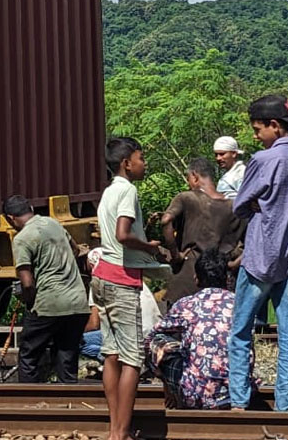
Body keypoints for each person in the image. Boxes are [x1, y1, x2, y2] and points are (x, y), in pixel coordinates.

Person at [229, 95, 288, 413]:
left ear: (274, 126)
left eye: (257, 129)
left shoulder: (263, 161)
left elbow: (239, 205)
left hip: (260, 253)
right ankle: (284, 402)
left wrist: (256, 204)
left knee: (240, 330)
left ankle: (239, 400)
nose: (255, 136)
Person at [92, 137, 166, 440]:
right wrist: (149, 247)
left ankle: (114, 427)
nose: (143, 163)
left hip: (102, 276)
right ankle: (120, 434)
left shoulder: (108, 192)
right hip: (122, 279)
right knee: (133, 358)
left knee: (110, 354)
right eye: (141, 157)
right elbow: (123, 235)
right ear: (126, 163)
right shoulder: (127, 190)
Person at [5, 195, 91, 384]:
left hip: (49, 304)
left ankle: (31, 403)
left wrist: (28, 304)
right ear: (31, 209)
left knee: (29, 355)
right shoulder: (53, 224)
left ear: (11, 218)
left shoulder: (22, 238)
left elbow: (27, 283)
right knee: (66, 357)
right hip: (77, 303)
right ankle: (69, 404)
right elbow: (75, 251)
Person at [145, 249, 243, 409]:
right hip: (239, 394)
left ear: (197, 279)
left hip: (195, 394)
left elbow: (152, 336)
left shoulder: (187, 304)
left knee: (156, 341)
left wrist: (163, 380)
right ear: (227, 278)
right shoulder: (240, 305)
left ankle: (174, 392)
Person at [161, 158, 244, 303]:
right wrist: (233, 264)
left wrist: (176, 255)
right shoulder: (235, 207)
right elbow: (254, 242)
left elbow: (166, 220)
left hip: (187, 279)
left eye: (188, 179)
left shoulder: (187, 198)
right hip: (221, 280)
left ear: (194, 176)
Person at [81, 248, 162, 362]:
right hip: (151, 334)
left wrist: (76, 331)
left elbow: (94, 324)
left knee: (78, 342)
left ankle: (115, 362)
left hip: (130, 336)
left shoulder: (100, 280)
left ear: (91, 263)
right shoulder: (132, 277)